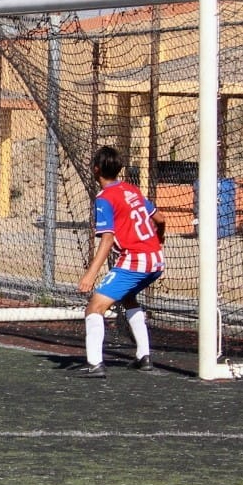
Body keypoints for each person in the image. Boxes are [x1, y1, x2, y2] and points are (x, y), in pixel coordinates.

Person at [73, 146, 165, 378]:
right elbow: (160, 218)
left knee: (95, 307)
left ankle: (95, 364)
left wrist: (90, 275)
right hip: (156, 259)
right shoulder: (131, 189)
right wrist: (159, 239)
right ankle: (143, 356)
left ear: (96, 169)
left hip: (135, 260)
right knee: (128, 297)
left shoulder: (104, 198)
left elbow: (107, 239)